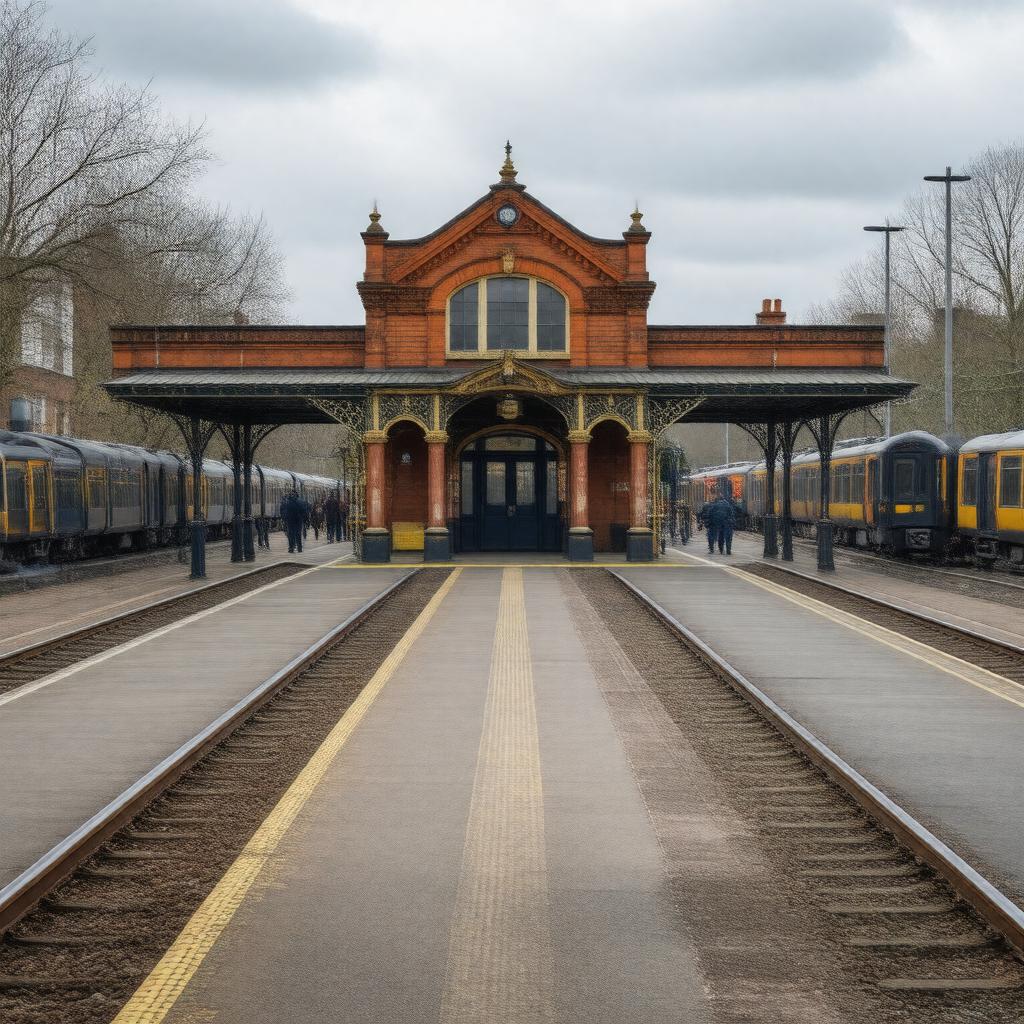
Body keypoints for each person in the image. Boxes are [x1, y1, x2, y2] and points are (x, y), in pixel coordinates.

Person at [280, 488, 309, 554]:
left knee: (291, 535)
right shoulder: (300, 502)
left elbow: (283, 511)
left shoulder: (287, 502)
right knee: (298, 534)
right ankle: (299, 548)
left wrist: (284, 519)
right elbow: (304, 511)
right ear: (297, 495)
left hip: (290, 521)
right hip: (298, 521)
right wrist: (305, 519)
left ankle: (291, 548)